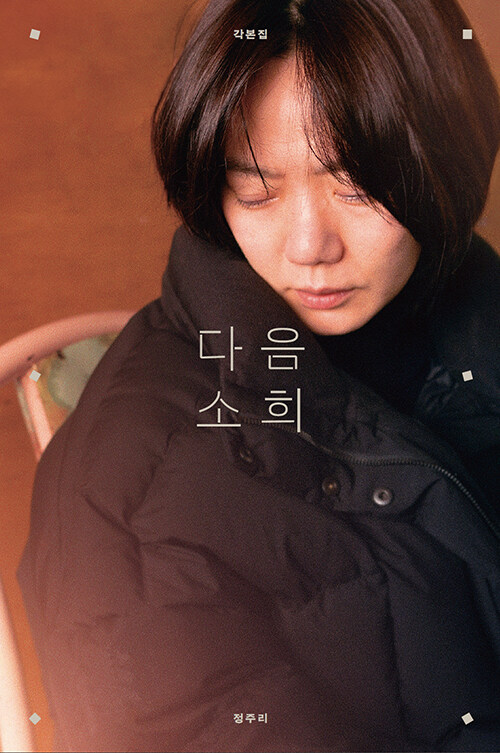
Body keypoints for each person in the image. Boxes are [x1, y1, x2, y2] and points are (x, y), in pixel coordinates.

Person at [17, 0, 500, 750]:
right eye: (256, 190)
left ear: (446, 162)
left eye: (357, 187)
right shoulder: (125, 486)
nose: (310, 246)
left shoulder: (471, 325)